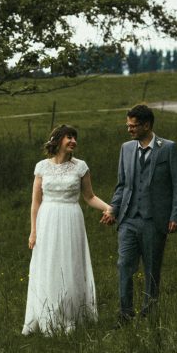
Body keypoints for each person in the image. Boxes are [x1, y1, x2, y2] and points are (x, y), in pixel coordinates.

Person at [22, 124, 112, 335]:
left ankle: (70, 315)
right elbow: (36, 202)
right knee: (48, 265)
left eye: (75, 137)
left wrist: (109, 207)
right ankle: (47, 315)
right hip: (47, 220)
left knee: (70, 265)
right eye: (69, 137)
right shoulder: (42, 167)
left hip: (71, 219)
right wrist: (33, 231)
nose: (73, 141)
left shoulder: (80, 167)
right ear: (58, 140)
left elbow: (89, 197)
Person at [101, 104, 177, 323]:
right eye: (128, 125)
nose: (129, 129)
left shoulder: (168, 148)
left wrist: (176, 215)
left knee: (151, 268)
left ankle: (149, 314)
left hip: (154, 220)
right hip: (128, 219)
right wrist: (113, 209)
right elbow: (122, 185)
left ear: (147, 125)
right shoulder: (126, 149)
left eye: (133, 126)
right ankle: (125, 314)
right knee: (124, 265)